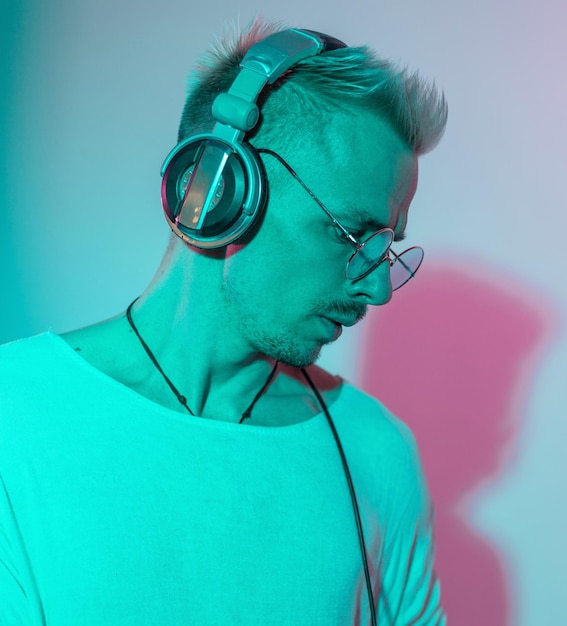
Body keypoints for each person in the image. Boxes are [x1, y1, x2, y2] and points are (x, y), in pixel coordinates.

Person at [0, 19, 447, 625]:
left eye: (385, 249)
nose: (377, 287)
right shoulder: (15, 412)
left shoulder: (376, 449)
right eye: (353, 236)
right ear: (215, 189)